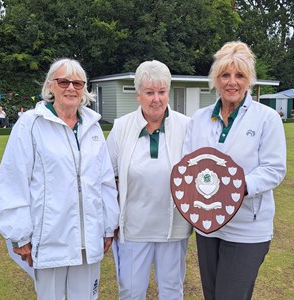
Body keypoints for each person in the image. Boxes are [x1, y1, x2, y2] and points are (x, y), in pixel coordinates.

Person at [0, 58, 120, 300]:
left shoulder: (92, 128)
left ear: (84, 89)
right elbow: (13, 180)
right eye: (63, 82)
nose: (71, 88)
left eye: (77, 83)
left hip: (88, 242)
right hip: (50, 240)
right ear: (50, 86)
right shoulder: (30, 124)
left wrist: (107, 227)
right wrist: (19, 234)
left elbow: (104, 182)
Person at [182, 41, 287, 300]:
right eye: (225, 75)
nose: (232, 82)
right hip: (208, 225)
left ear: (249, 80)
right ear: (215, 79)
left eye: (239, 75)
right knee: (212, 294)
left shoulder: (266, 118)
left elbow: (274, 169)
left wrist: (235, 188)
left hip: (247, 227)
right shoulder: (199, 119)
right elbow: (187, 164)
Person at [106, 60, 192, 300]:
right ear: (138, 95)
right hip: (133, 228)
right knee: (131, 292)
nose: (157, 99)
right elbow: (104, 175)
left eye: (162, 92)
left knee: (172, 291)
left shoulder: (187, 126)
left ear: (168, 92)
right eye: (150, 92)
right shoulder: (122, 127)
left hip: (173, 228)